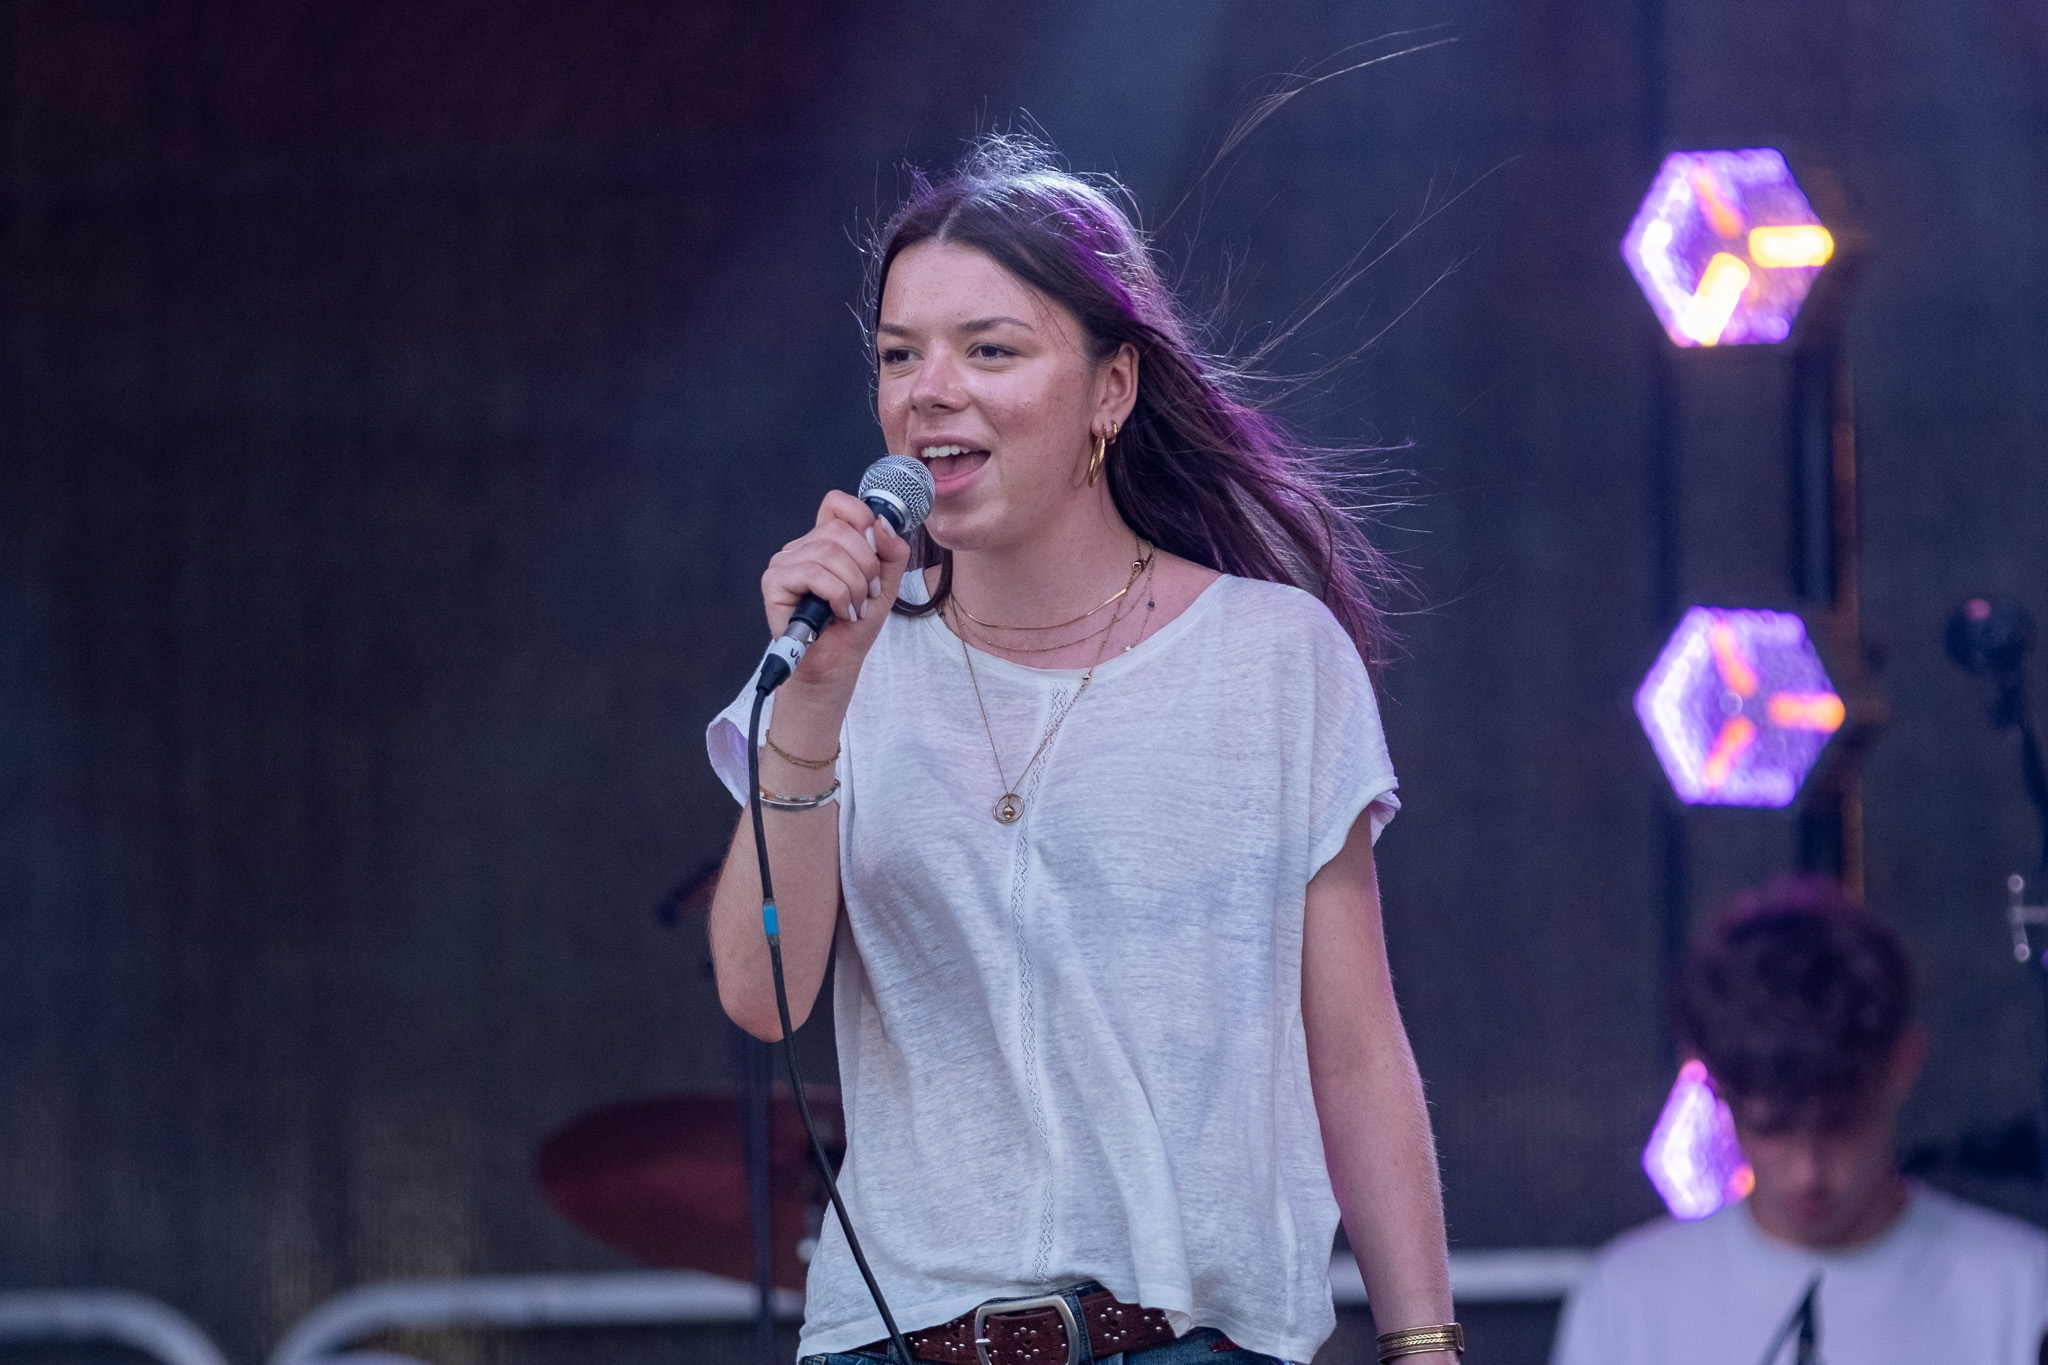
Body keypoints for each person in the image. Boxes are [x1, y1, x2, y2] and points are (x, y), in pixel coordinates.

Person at [702, 135, 1458, 1365]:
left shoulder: (1269, 659)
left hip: (1184, 1340)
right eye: (898, 354)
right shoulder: (839, 657)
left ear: (1111, 390)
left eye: (989, 349)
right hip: (894, 1341)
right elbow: (761, 993)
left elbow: (1356, 1052)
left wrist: (1424, 1348)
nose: (928, 389)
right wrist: (815, 709)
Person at [1552, 878, 2048, 1365]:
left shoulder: (2025, 1292)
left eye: (1840, 1124)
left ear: (1904, 1062)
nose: (1807, 1172)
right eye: (1771, 1127)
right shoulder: (1628, 1302)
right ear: (1715, 1086)